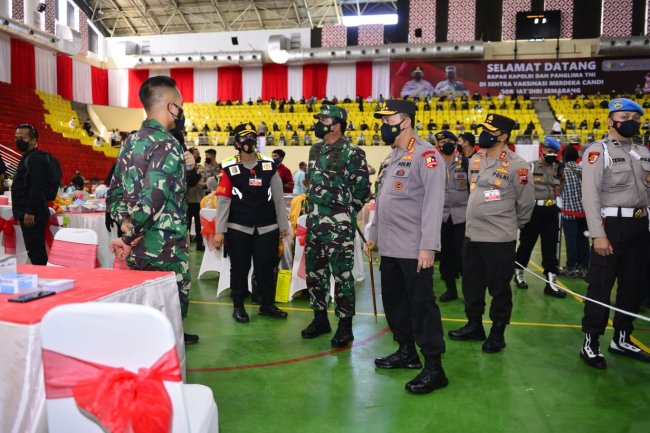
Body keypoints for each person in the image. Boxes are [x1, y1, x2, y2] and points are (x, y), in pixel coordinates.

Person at [107, 75, 199, 344]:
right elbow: (153, 201)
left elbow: (113, 193)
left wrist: (126, 225)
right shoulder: (167, 143)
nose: (181, 111)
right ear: (171, 105)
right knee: (169, 319)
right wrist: (128, 234)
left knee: (143, 313)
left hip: (137, 248)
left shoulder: (131, 142)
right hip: (165, 248)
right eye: (180, 104)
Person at [366, 100, 448, 394]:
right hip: (389, 247)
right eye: (382, 120)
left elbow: (433, 205)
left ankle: (434, 367)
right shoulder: (391, 158)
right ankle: (406, 351)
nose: (383, 125)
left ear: (406, 122)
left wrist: (428, 247)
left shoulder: (427, 156)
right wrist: (373, 233)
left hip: (414, 250)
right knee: (395, 304)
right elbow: (381, 201)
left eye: (388, 120)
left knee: (422, 307)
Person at [448, 113, 534, 353]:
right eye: (482, 129)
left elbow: (526, 203)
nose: (483, 134)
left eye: (489, 131)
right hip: (472, 235)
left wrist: (510, 223)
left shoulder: (518, 165)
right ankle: (474, 325)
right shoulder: (476, 159)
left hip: (499, 239)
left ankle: (498, 331)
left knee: (499, 288)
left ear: (503, 136)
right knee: (471, 285)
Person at [578, 98, 650, 369]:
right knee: (600, 286)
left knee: (633, 284)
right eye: (623, 116)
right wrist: (598, 234)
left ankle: (622, 337)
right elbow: (590, 195)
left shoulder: (644, 152)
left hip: (640, 226)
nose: (630, 120)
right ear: (610, 121)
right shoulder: (599, 151)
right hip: (611, 227)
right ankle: (591, 341)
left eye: (635, 116)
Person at [301, 105, 370, 347]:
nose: (319, 122)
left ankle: (345, 325)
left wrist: (345, 213)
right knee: (315, 273)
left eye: (323, 119)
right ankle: (320, 319)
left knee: (342, 276)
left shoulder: (353, 152)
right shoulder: (315, 149)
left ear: (337, 124)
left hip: (338, 227)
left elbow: (363, 190)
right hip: (314, 222)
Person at [213, 122, 290, 323]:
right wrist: (220, 231)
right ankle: (238, 306)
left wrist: (283, 225)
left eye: (252, 137)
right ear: (236, 142)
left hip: (267, 227)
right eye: (244, 137)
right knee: (239, 268)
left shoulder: (269, 165)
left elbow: (279, 197)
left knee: (265, 268)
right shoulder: (229, 166)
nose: (249, 141)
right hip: (239, 227)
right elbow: (224, 200)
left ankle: (267, 304)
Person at [513, 136, 566, 298]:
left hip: (551, 211)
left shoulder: (558, 168)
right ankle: (518, 273)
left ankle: (551, 283)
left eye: (555, 152)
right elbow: (521, 188)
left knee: (550, 248)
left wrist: (562, 177)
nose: (552, 155)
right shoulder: (530, 166)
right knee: (526, 244)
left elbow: (559, 190)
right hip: (534, 211)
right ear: (543, 149)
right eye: (550, 151)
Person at [435, 130, 469, 302]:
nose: (445, 144)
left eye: (449, 141)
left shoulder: (465, 163)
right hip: (442, 217)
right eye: (442, 142)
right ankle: (451, 290)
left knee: (465, 256)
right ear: (438, 146)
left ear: (456, 143)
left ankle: (469, 291)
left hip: (462, 217)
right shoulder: (434, 165)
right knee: (446, 256)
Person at [11, 124, 50, 265]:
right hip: (28, 213)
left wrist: (30, 211)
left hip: (32, 215)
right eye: (16, 138)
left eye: (22, 137)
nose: (18, 140)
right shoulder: (27, 158)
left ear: (33, 141)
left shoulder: (35, 159)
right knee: (34, 251)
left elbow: (36, 187)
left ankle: (43, 281)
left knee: (37, 253)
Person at [558, 145, 588, 278]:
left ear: (563, 156)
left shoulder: (562, 170)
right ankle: (584, 267)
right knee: (583, 240)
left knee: (571, 240)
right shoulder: (582, 169)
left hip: (569, 211)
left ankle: (571, 267)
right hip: (584, 211)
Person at [187, 147, 207, 251]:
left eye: (198, 154)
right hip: (189, 200)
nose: (198, 156)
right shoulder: (186, 168)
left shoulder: (201, 167)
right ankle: (186, 244)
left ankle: (200, 244)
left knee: (200, 224)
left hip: (199, 200)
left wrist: (203, 184)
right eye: (196, 154)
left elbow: (204, 182)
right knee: (187, 224)